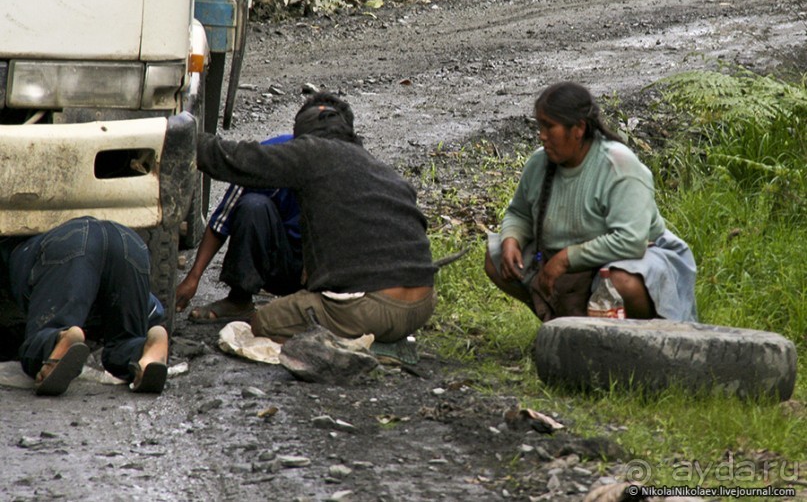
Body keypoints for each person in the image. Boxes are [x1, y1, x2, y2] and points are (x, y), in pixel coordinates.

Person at [195, 92, 438, 343]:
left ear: (303, 135)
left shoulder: (312, 153)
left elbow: (236, 160)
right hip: (421, 306)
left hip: (372, 310)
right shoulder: (383, 172)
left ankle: (338, 344)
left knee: (265, 322)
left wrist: (188, 141)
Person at [484, 81, 698, 322]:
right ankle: (561, 320)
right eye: (540, 126)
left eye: (550, 127)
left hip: (631, 258)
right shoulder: (539, 163)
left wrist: (565, 259)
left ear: (578, 128)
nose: (542, 136)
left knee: (622, 283)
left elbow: (631, 240)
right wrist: (511, 240)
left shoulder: (619, 165)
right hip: (563, 260)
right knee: (495, 257)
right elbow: (520, 213)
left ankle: (636, 333)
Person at [0, 217, 170, 396]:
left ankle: (58, 339)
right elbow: (152, 308)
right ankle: (144, 351)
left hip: (71, 243)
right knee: (124, 341)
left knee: (41, 340)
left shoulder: (15, 244)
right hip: (129, 242)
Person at [175, 133, 304, 324]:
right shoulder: (268, 158)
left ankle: (325, 308)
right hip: (280, 261)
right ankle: (239, 300)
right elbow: (221, 222)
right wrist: (193, 277)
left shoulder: (343, 166)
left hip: (325, 273)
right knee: (253, 206)